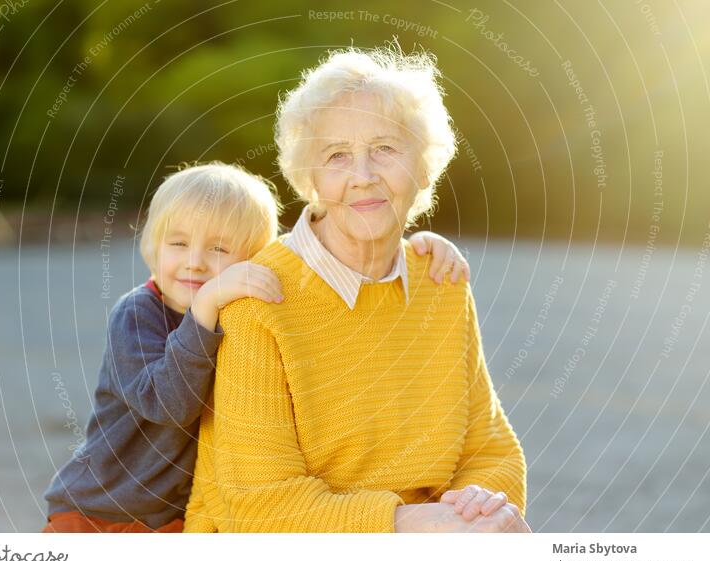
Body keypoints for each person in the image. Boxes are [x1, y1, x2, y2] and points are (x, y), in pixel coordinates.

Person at [184, 47, 530, 533]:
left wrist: (477, 507)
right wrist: (413, 525)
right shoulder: (257, 300)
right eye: (337, 156)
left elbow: (493, 451)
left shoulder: (441, 283)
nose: (363, 176)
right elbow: (260, 508)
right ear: (310, 178)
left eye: (386, 149)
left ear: (425, 167)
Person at [41, 162, 470, 532]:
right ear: (152, 246)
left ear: (252, 260)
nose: (194, 261)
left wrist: (415, 249)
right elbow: (166, 406)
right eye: (178, 243)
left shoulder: (241, 311)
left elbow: (317, 262)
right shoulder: (137, 315)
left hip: (174, 517)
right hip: (100, 509)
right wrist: (205, 305)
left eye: (219, 249)